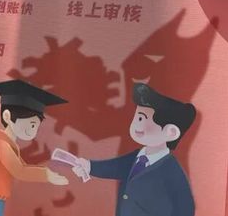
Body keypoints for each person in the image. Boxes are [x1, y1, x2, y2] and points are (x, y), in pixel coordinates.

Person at [72, 83, 196, 216]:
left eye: (144, 119)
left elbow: (186, 207)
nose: (138, 124)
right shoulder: (136, 157)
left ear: (171, 132)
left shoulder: (171, 170)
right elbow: (115, 167)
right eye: (139, 117)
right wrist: (89, 166)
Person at [0, 80, 69, 216]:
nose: (33, 131)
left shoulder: (6, 143)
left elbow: (22, 165)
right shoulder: (1, 144)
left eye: (36, 126)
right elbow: (19, 170)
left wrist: (46, 172)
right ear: (7, 116)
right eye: (31, 125)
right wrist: (47, 175)